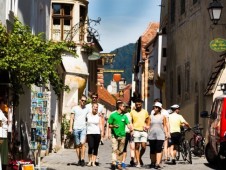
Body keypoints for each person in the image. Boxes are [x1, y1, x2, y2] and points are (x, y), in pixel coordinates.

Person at [108, 101, 133, 170]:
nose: (125, 108)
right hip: (114, 135)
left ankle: (119, 164)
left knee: (121, 150)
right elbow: (109, 125)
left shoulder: (125, 116)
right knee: (114, 149)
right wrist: (113, 126)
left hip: (122, 136)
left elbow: (128, 124)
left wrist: (130, 127)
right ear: (119, 107)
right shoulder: (113, 115)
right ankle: (113, 163)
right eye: (123, 106)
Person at [69, 95, 88, 167]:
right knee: (77, 145)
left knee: (83, 144)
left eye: (85, 101)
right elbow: (71, 118)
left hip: (83, 128)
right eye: (82, 100)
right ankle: (79, 159)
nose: (83, 102)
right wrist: (70, 128)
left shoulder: (87, 109)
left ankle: (83, 159)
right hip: (76, 128)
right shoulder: (75, 108)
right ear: (80, 100)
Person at [130, 98, 150, 168]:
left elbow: (148, 119)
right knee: (137, 146)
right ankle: (138, 162)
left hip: (143, 130)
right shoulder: (132, 112)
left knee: (144, 146)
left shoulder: (145, 112)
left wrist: (147, 126)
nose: (138, 106)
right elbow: (130, 121)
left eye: (139, 104)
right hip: (135, 130)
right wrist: (131, 130)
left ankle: (140, 157)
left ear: (141, 104)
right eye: (136, 104)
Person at [148, 102, 168, 169]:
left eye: (156, 107)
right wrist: (145, 127)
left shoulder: (163, 117)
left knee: (158, 149)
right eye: (154, 107)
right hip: (152, 135)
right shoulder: (150, 116)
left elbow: (164, 126)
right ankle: (153, 162)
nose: (154, 108)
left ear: (159, 109)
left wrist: (166, 133)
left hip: (160, 135)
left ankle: (158, 163)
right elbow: (148, 125)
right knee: (152, 150)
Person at [122, 103, 135, 169]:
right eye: (124, 107)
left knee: (132, 147)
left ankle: (132, 160)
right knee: (124, 148)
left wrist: (132, 130)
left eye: (126, 107)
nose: (125, 108)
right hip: (123, 133)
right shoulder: (120, 115)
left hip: (129, 132)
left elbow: (131, 122)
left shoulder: (129, 114)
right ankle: (123, 162)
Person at [0, 100, 8, 170]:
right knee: (2, 153)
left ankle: (3, 166)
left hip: (4, 135)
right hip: (1, 135)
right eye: (3, 104)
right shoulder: (0, 113)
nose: (4, 105)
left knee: (4, 154)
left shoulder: (2, 112)